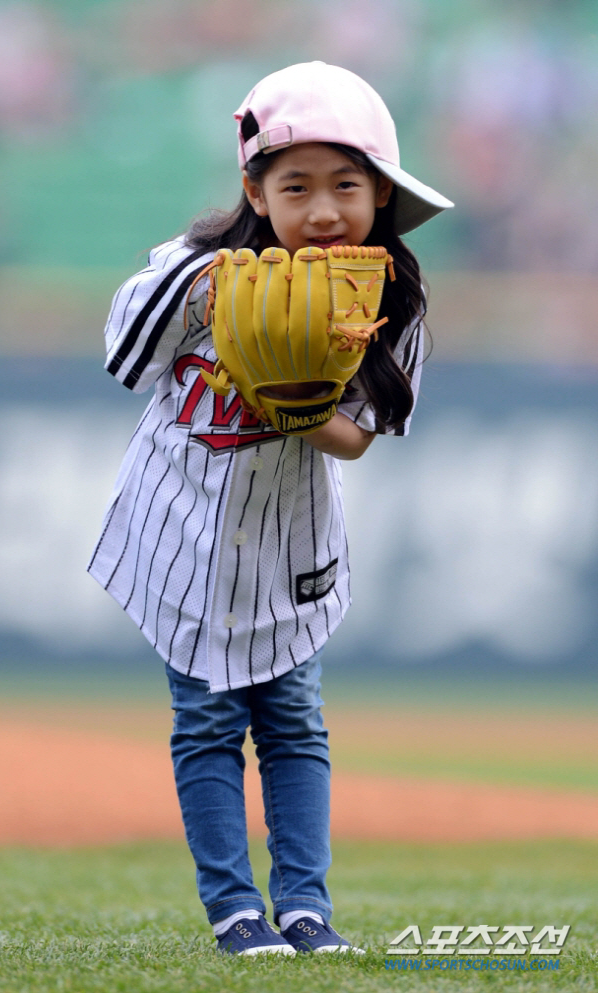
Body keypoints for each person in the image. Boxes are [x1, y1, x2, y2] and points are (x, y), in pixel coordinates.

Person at [87, 61, 453, 956]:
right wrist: (205, 290)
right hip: (184, 534)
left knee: (295, 725)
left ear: (382, 195)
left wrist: (296, 406)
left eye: (347, 185)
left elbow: (359, 437)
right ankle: (234, 910)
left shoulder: (384, 295)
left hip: (293, 547)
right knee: (209, 724)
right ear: (255, 189)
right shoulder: (200, 270)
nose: (323, 210)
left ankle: (305, 907)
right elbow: (122, 353)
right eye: (296, 186)